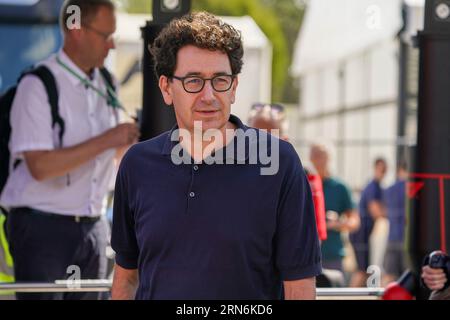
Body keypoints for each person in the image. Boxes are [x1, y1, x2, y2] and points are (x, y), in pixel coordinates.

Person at [111, 12, 322, 300]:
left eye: (220, 80)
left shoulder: (278, 163)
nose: (209, 95)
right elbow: (126, 279)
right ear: (166, 88)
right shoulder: (137, 165)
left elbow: (299, 287)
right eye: (194, 81)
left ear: (234, 87)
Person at [0, 0, 139, 300]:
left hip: (95, 225)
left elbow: (113, 155)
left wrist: (133, 144)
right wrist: (109, 138)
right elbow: (40, 167)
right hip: (43, 227)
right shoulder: (37, 85)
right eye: (106, 36)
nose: (112, 46)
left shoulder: (108, 83)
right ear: (76, 29)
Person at [247, 103, 327, 241]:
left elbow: (313, 238)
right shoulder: (230, 173)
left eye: (269, 139)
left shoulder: (306, 176)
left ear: (285, 141)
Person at [310, 144, 360, 272]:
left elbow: (354, 222)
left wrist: (336, 223)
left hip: (333, 256)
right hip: (306, 255)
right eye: (315, 156)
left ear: (329, 158)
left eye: (322, 156)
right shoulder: (303, 184)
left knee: (333, 292)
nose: (319, 160)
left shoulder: (340, 187)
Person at [349, 158, 387, 287]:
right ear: (375, 168)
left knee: (365, 269)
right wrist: (394, 215)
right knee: (362, 270)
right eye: (380, 169)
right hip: (361, 232)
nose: (382, 172)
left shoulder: (377, 186)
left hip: (365, 233)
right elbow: (375, 210)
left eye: (384, 170)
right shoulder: (373, 187)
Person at [383, 161, 408, 286]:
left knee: (389, 275)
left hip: (392, 237)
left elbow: (383, 210)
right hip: (407, 240)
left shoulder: (389, 190)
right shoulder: (413, 188)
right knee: (408, 276)